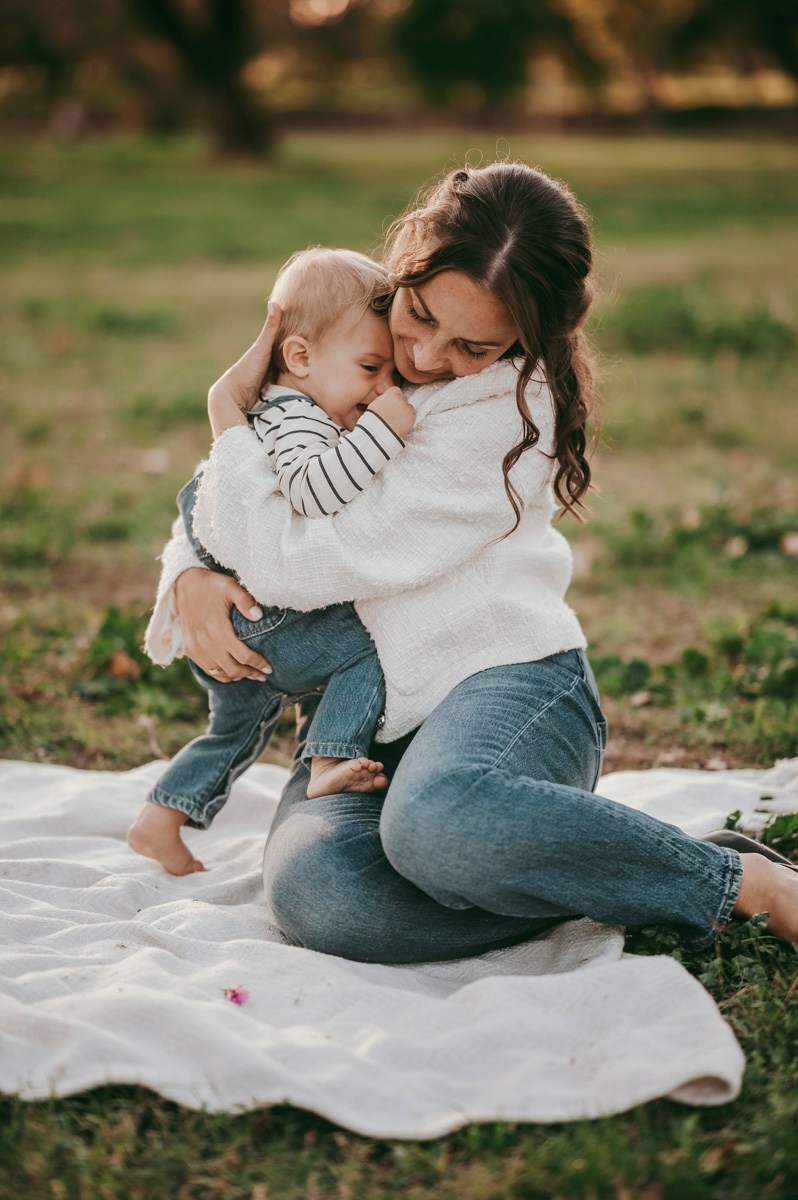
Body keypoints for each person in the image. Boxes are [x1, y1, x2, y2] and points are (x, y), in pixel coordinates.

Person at [145, 160, 798, 959]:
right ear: (409, 259)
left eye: (471, 344)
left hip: (507, 688)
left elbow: (299, 559)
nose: (421, 355)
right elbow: (236, 490)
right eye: (417, 313)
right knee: (322, 896)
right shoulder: (357, 325)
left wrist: (224, 413)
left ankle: (729, 882)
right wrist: (191, 572)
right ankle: (593, 871)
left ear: (527, 339)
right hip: (367, 725)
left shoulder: (502, 421)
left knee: (436, 823)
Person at [129, 248, 415, 876]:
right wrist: (383, 433)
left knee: (234, 731)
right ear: (300, 357)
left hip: (247, 617)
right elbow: (313, 492)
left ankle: (161, 819)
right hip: (264, 613)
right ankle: (330, 757)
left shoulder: (295, 408)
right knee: (365, 653)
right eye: (371, 368)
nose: (381, 389)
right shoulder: (295, 418)